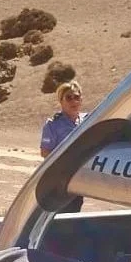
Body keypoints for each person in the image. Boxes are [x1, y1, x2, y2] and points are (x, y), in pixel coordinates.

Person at [40, 80, 88, 212]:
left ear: (81, 100)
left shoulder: (88, 121)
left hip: (79, 179)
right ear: (61, 101)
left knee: (75, 211)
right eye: (69, 98)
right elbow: (45, 152)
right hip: (59, 181)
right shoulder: (53, 125)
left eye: (76, 97)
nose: (74, 101)